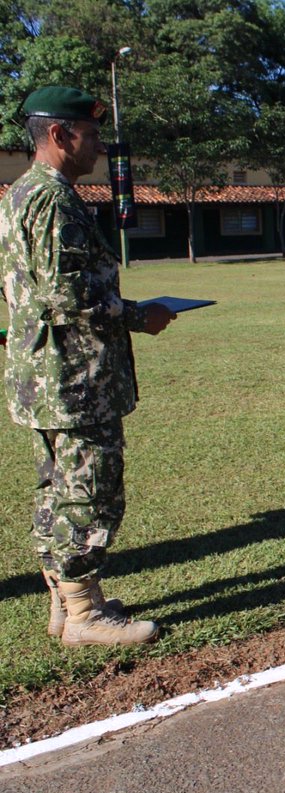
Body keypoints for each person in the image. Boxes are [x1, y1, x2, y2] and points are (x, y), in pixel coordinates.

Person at [0, 86, 175, 645]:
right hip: (73, 379)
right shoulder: (52, 200)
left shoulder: (19, 194)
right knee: (89, 491)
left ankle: (70, 600)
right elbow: (67, 295)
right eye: (91, 133)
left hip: (41, 374)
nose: (98, 146)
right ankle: (83, 616)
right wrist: (137, 315)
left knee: (56, 489)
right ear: (58, 135)